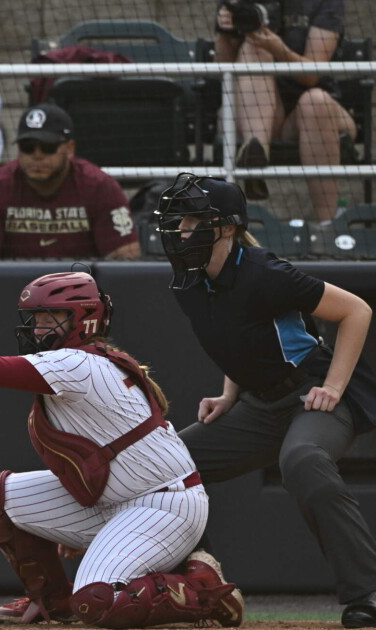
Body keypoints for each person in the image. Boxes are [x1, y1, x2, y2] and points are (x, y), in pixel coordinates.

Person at [0, 271, 244, 627]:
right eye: (35, 317)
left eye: (51, 316)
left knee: (98, 601)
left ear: (85, 319)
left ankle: (204, 588)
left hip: (163, 506)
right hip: (118, 501)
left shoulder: (77, 362)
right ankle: (52, 600)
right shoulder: (84, 361)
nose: (38, 327)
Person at [154, 173, 376, 629]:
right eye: (180, 218)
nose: (181, 228)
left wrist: (333, 387)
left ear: (228, 228)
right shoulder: (189, 282)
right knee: (163, 468)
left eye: (195, 218)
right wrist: (229, 394)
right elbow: (238, 340)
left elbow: (357, 310)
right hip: (258, 404)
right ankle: (202, 586)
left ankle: (367, 594)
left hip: (310, 394)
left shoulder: (263, 271)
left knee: (303, 460)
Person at [214, 0, 355, 225]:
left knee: (314, 101)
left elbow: (312, 75)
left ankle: (328, 228)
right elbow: (222, 71)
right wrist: (224, 32)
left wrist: (278, 48)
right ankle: (255, 156)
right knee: (253, 47)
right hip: (261, 116)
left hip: (317, 110)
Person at [0, 104, 138, 261]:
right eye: (28, 147)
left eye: (48, 147)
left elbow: (126, 257)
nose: (37, 155)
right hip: (14, 291)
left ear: (70, 149)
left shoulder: (100, 187)